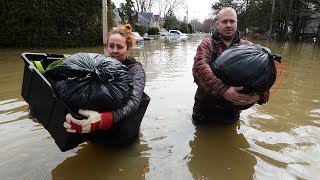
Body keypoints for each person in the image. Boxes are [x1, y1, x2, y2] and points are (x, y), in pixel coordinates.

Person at [192, 7, 269, 125]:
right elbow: (199, 69)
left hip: (231, 114)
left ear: (237, 23)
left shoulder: (248, 47)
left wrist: (258, 96)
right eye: (224, 21)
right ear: (217, 24)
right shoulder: (207, 44)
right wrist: (224, 91)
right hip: (204, 112)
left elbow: (263, 75)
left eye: (232, 21)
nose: (228, 25)